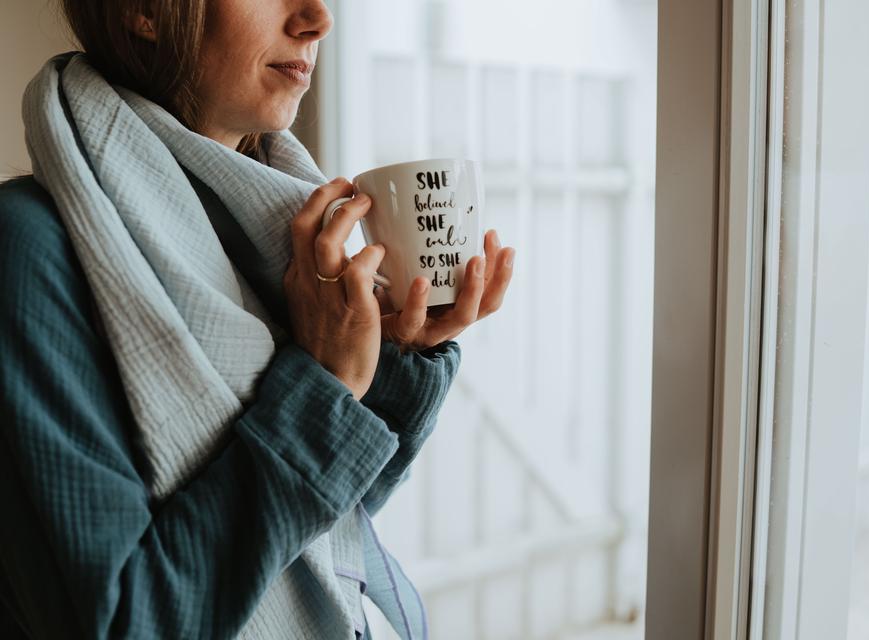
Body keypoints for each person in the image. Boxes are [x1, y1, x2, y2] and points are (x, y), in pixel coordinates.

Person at [0, 0, 515, 638]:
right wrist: (324, 385)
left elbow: (319, 535)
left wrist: (393, 359)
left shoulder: (261, 231)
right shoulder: (28, 250)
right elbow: (123, 621)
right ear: (145, 11)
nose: (318, 18)